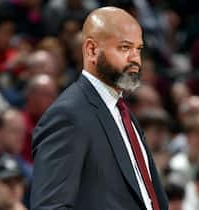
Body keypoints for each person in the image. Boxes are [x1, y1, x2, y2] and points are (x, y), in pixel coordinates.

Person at [31, 6, 168, 210]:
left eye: (138, 49)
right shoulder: (69, 115)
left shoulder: (124, 114)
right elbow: (50, 206)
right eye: (124, 47)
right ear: (92, 50)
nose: (135, 59)